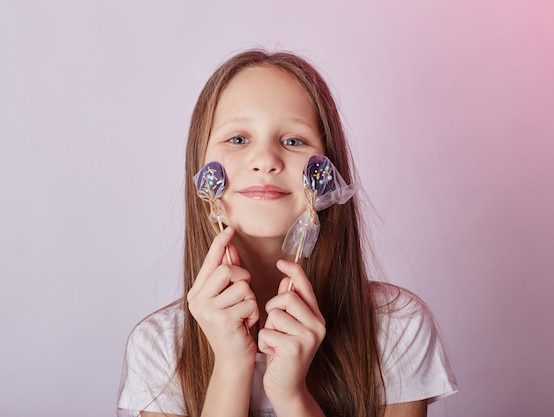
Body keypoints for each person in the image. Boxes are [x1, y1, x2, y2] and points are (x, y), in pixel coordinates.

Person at [117, 49, 458, 417]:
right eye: (237, 139)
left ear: (327, 172)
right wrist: (230, 367)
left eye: (294, 141)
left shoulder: (395, 326)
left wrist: (291, 394)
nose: (265, 160)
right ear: (200, 171)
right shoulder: (160, 345)